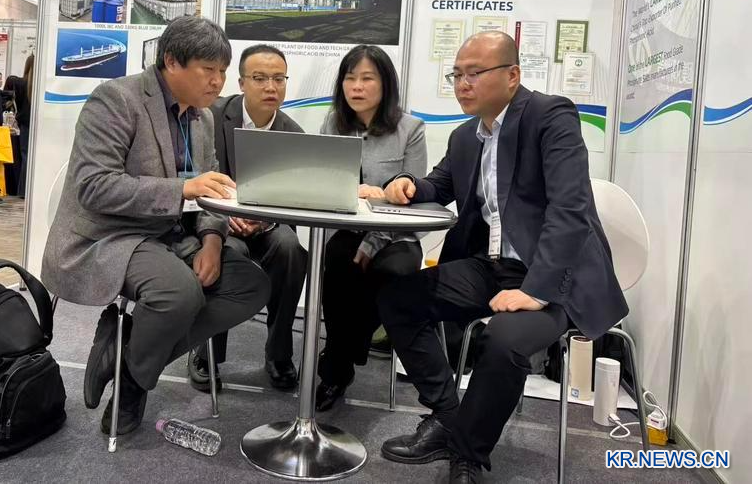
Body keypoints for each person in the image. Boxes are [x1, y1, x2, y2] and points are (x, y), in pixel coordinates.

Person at [377, 32, 628, 483]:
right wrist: (407, 185)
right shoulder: (466, 136)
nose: (462, 83)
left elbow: (569, 210)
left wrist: (536, 290)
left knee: (503, 341)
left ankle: (468, 453)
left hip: (554, 275)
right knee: (397, 298)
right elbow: (439, 185)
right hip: (493, 267)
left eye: (474, 73)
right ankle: (447, 416)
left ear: (512, 75)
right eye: (457, 74)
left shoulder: (550, 116)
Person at [42, 17, 270, 436]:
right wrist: (182, 189)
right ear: (171, 62)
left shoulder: (201, 119)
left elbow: (212, 189)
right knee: (178, 293)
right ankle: (133, 386)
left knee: (249, 285)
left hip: (169, 235)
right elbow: (94, 186)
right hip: (109, 235)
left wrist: (212, 240)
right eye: (208, 70)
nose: (218, 82)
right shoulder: (116, 99)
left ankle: (128, 360)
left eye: (222, 71)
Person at [188, 44, 307, 392]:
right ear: (241, 83)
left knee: (291, 249)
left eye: (279, 79)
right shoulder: (209, 117)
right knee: (230, 252)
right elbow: (194, 178)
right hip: (217, 223)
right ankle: (207, 352)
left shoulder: (294, 135)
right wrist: (225, 219)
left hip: (267, 224)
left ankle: (279, 353)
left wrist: (265, 221)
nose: (271, 87)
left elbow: (295, 198)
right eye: (260, 78)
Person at [315, 44, 427, 411]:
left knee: (391, 272)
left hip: (396, 233)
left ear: (385, 84)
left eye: (367, 78)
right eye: (350, 79)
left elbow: (411, 198)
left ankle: (338, 359)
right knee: (337, 263)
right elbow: (325, 183)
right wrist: (355, 191)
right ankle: (339, 368)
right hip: (347, 230)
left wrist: (372, 241)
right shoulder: (333, 124)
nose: (357, 87)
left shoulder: (410, 129)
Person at [5, 55, 33, 197]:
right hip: (39, 123)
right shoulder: (40, 84)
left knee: (25, 156)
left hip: (24, 123)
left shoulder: (21, 83)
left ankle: (22, 190)